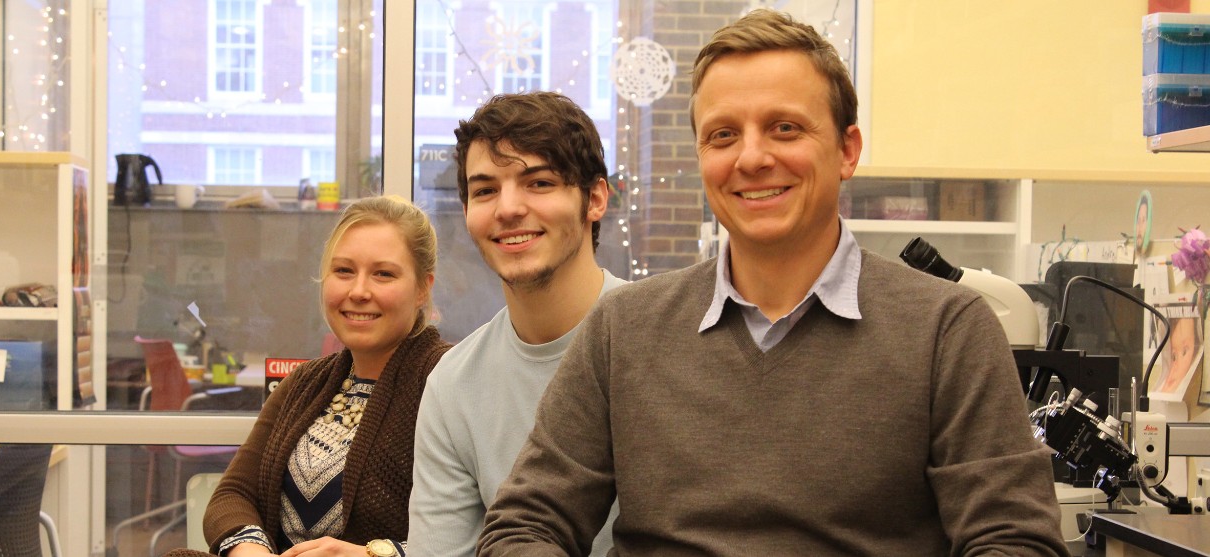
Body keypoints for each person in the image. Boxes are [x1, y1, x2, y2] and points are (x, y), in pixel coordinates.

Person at [478, 10, 1070, 556]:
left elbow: (1017, 541)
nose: (752, 157)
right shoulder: (623, 331)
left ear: (847, 149)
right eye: (723, 135)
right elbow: (525, 524)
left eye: (784, 128)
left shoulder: (948, 331)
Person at [405, 91, 626, 557]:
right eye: (485, 190)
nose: (507, 208)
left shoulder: (667, 342)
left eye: (539, 183)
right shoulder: (453, 385)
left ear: (596, 199)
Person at [167, 195, 452, 557]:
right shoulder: (304, 382)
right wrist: (249, 548)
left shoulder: (450, 382)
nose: (358, 291)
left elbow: (483, 530)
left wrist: (371, 555)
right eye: (344, 271)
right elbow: (234, 494)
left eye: (383, 274)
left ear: (422, 287)